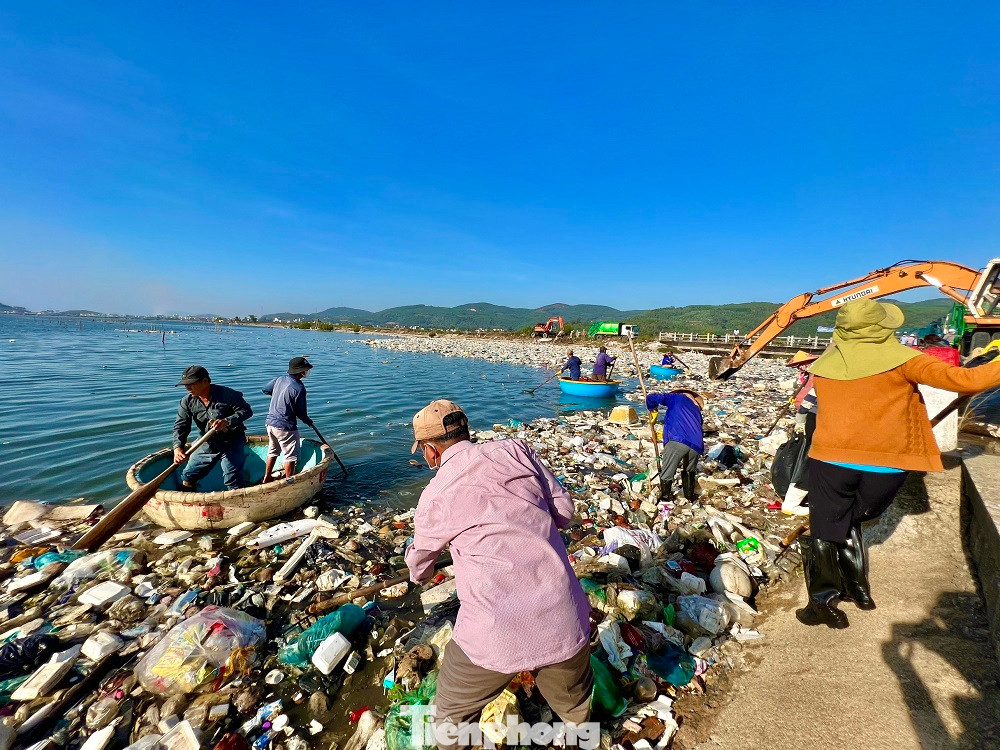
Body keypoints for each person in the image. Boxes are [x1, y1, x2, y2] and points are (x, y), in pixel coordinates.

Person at [797, 299, 1000, 629]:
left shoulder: (827, 361)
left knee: (828, 523)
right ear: (880, 328)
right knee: (856, 518)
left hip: (830, 457)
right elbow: (967, 381)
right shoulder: (904, 360)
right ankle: (856, 591)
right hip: (886, 461)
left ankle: (825, 599)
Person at [405, 400, 593, 750]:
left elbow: (419, 569)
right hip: (564, 618)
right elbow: (564, 512)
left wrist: (425, 564)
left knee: (452, 720)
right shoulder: (517, 450)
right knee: (577, 711)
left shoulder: (436, 494)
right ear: (467, 432)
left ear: (430, 452)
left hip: (493, 635)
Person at [172, 365, 253, 491]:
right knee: (188, 476)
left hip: (232, 441)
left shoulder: (227, 395)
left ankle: (241, 504)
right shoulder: (187, 402)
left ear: (205, 381)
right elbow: (181, 426)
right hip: (206, 442)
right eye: (185, 385)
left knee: (232, 479)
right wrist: (178, 448)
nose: (187, 388)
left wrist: (227, 421)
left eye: (191, 384)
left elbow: (246, 411)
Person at [262, 356, 317, 483]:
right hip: (285, 426)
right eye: (305, 370)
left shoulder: (279, 379)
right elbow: (301, 412)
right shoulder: (299, 388)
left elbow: (265, 390)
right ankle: (288, 482)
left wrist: (278, 394)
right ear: (300, 371)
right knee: (290, 456)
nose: (307, 372)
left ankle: (267, 476)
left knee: (273, 450)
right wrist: (308, 421)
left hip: (270, 423)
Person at [645, 389, 704, 502]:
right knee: (689, 470)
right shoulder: (696, 409)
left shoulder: (676, 397)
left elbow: (651, 397)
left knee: (668, 470)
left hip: (677, 440)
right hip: (696, 444)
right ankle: (689, 496)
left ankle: (665, 497)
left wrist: (652, 408)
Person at [781, 351, 819, 516]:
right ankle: (793, 502)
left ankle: (796, 499)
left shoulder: (818, 375)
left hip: (812, 418)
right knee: (813, 460)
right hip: (819, 420)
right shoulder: (824, 376)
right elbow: (807, 401)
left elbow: (807, 402)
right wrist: (800, 421)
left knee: (809, 458)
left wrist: (800, 420)